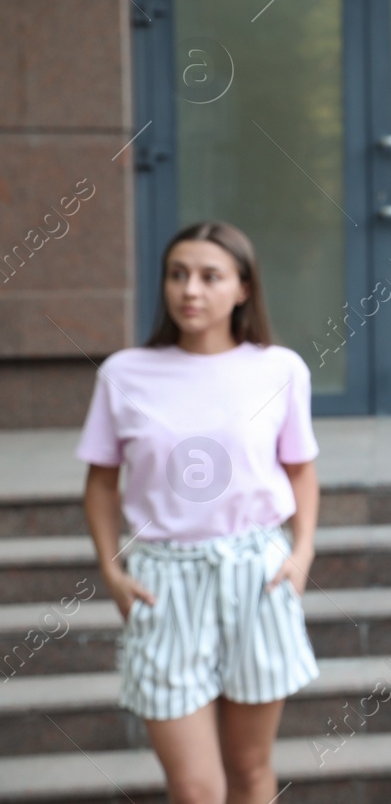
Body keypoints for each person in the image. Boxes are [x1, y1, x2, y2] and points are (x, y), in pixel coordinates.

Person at [76, 221, 320, 804]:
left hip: (257, 575)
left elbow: (301, 469)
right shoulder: (124, 373)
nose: (190, 290)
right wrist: (112, 569)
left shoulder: (280, 369)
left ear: (242, 288)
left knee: (251, 771)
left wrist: (303, 551)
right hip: (163, 582)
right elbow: (101, 483)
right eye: (178, 274)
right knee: (194, 788)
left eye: (211, 277)